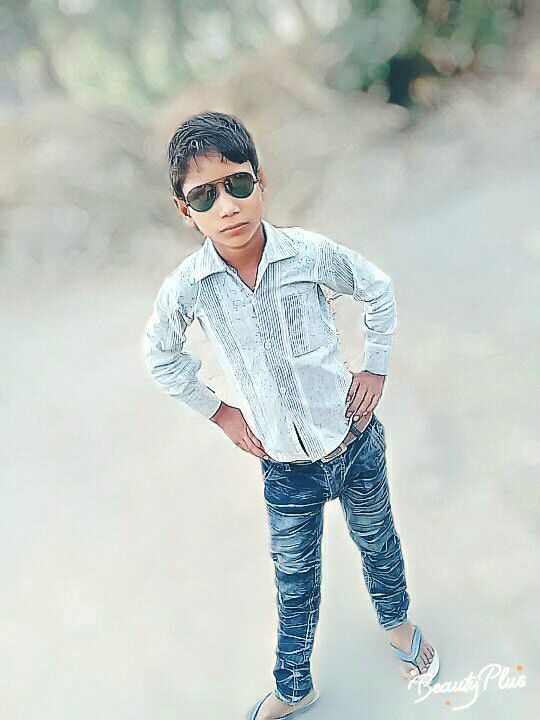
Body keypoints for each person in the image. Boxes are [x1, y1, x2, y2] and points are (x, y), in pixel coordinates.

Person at [143, 111, 440, 719]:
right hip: (285, 468)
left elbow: (377, 289)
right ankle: (296, 683)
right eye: (205, 195)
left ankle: (398, 626)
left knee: (379, 542)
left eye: (238, 183)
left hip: (354, 441)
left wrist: (375, 367)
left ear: (261, 180)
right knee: (295, 582)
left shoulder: (307, 253)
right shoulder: (190, 287)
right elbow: (160, 355)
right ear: (184, 210)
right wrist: (219, 413)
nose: (228, 205)